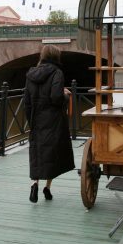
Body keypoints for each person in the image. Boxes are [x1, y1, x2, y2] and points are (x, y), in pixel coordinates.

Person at [24, 44, 75, 203]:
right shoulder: (57, 73)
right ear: (55, 56)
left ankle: (34, 184)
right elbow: (56, 98)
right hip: (53, 120)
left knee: (38, 153)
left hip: (36, 119)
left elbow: (27, 102)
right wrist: (66, 95)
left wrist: (30, 121)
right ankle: (47, 187)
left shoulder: (30, 74)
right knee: (52, 154)